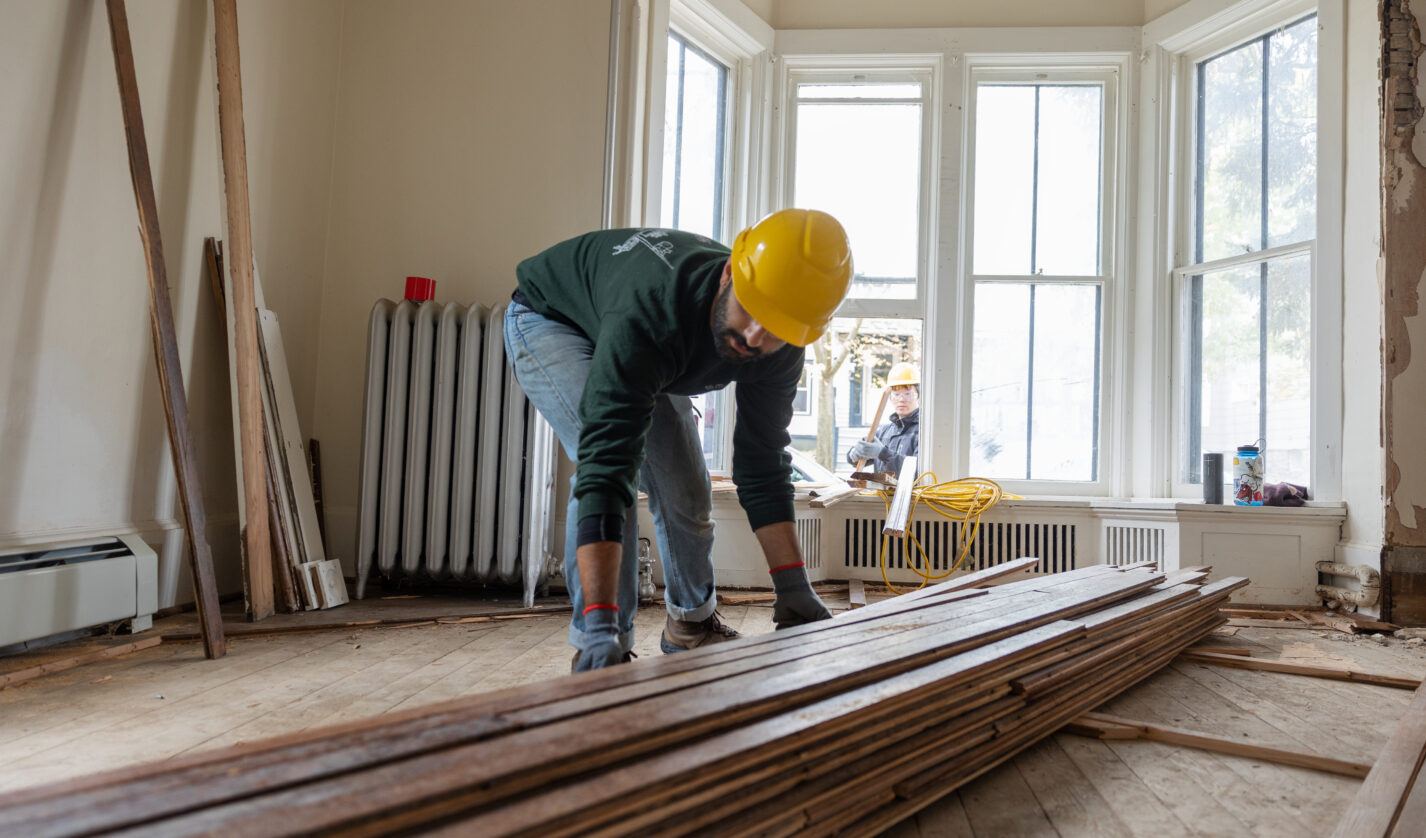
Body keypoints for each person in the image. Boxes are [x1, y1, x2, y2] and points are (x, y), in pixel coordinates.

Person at [505, 210, 854, 671]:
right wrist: (601, 627)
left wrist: (793, 588)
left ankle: (691, 625)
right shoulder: (653, 312)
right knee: (618, 485)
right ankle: (602, 641)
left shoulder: (781, 346)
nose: (754, 337)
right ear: (730, 271)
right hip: (552, 320)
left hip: (641, 336)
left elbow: (762, 463)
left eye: (775, 329)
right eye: (750, 311)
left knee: (689, 488)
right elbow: (605, 470)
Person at [847, 362, 920, 475]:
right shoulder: (883, 431)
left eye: (907, 394)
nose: (901, 399)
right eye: (896, 394)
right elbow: (859, 461)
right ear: (890, 397)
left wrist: (882, 453)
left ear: (918, 396)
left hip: (912, 493)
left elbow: (917, 472)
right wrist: (854, 454)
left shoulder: (923, 432)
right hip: (882, 493)